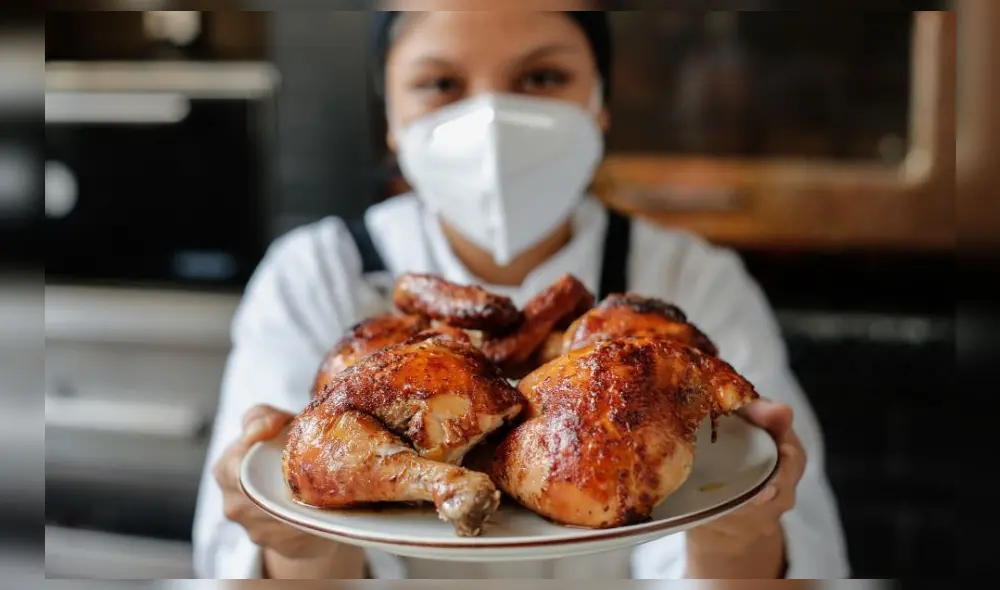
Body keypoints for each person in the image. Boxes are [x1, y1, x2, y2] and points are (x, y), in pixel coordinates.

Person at [193, 8, 850, 580]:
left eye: (541, 78)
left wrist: (739, 531)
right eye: (440, 84)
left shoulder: (691, 280)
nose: (491, 119)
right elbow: (251, 561)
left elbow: (793, 557)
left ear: (600, 103)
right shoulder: (317, 274)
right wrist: (300, 551)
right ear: (391, 117)